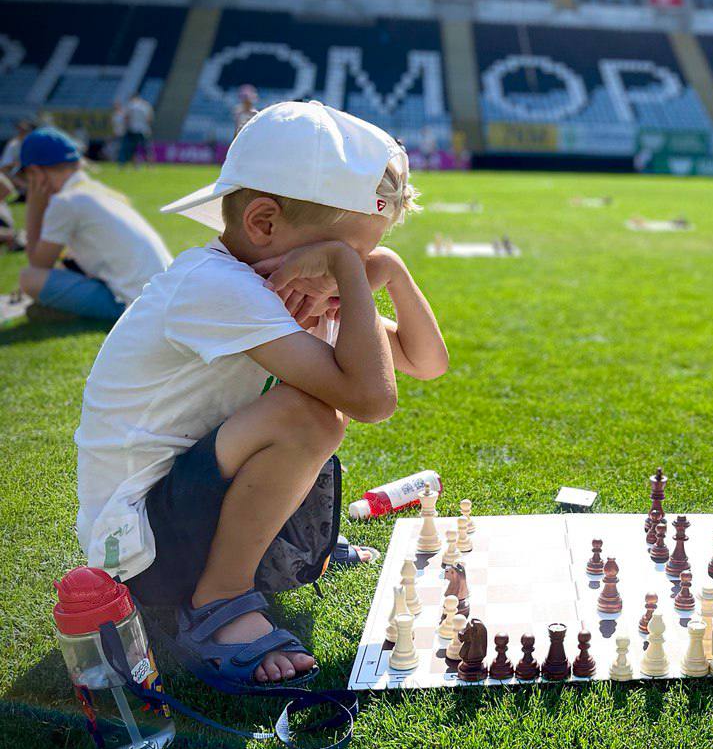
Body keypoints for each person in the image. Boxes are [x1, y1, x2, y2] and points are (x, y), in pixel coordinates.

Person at [75, 101, 449, 685]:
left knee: (308, 411)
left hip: (187, 502)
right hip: (140, 548)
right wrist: (349, 279)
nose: (359, 265)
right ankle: (217, 601)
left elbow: (425, 363)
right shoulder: (215, 287)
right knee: (310, 417)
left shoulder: (294, 287)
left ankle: (279, 553)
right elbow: (373, 401)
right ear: (265, 224)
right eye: (350, 251)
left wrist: (390, 271)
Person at [18, 126, 171, 321]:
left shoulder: (67, 201)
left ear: (35, 173)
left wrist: (34, 206)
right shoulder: (98, 191)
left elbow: (38, 264)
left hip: (136, 305)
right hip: (161, 295)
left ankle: (69, 314)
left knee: (29, 278)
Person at [121, 92, 153, 167]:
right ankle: (150, 165)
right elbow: (149, 119)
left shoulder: (129, 105)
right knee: (146, 148)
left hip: (133, 129)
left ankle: (136, 164)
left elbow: (126, 118)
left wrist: (126, 127)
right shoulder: (146, 105)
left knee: (133, 148)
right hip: (144, 129)